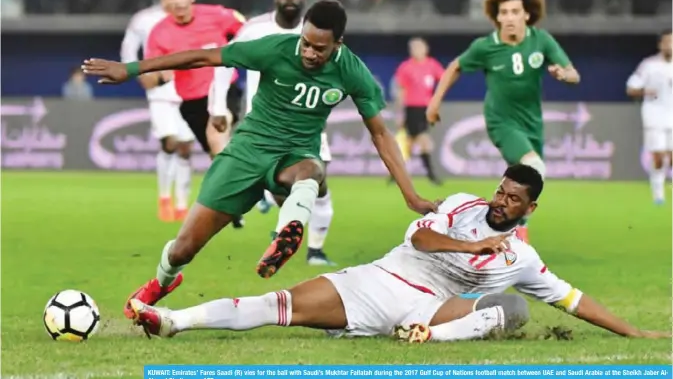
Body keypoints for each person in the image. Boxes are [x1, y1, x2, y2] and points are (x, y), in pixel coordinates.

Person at [81, 0, 438, 320]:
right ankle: (160, 284)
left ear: (338, 45)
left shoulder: (352, 72)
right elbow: (204, 57)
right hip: (247, 153)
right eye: (306, 43)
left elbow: (380, 133)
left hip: (295, 155)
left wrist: (411, 195)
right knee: (183, 248)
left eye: (320, 49)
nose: (310, 53)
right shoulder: (275, 49)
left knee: (313, 170)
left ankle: (288, 231)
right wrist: (130, 69)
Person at [127, 164, 669, 342]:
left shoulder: (522, 260)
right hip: (378, 280)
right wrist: (472, 241)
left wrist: (637, 333)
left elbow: (573, 300)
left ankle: (427, 337)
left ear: (531, 207)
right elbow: (419, 239)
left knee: (517, 310)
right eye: (501, 191)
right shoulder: (461, 206)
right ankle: (173, 321)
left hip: (432, 309)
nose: (502, 201)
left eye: (513, 199)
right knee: (276, 305)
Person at [426, 0, 581, 244]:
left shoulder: (541, 41)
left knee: (524, 180)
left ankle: (482, 224)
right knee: (534, 168)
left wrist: (562, 74)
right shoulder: (486, 46)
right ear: (497, 16)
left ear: (526, 15)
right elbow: (455, 67)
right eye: (503, 12)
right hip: (501, 121)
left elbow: (574, 74)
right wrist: (434, 102)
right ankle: (516, 233)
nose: (508, 18)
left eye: (514, 12)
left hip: (531, 122)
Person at [213, 0, 336, 266]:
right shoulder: (255, 29)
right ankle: (297, 239)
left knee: (319, 188)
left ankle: (308, 245)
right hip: (264, 124)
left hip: (308, 122)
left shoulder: (317, 31)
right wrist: (218, 106)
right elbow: (222, 62)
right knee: (292, 187)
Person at [145, 0, 246, 225]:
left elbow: (247, 30)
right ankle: (235, 204)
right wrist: (160, 76)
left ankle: (248, 192)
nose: (177, 0)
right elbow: (147, 79)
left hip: (225, 88)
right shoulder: (158, 34)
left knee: (218, 131)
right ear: (163, 2)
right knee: (218, 155)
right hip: (191, 103)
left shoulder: (217, 15)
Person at [121, 1, 195, 222]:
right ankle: (164, 198)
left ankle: (182, 204)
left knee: (185, 147)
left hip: (188, 88)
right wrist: (138, 72)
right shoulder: (144, 18)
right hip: (160, 90)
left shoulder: (195, 18)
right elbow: (128, 47)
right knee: (169, 143)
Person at [626, 29, 672, 205]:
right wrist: (645, 91)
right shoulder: (649, 65)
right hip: (654, 115)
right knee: (659, 156)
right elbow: (631, 88)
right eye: (667, 42)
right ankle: (658, 194)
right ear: (660, 44)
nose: (670, 45)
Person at [392, 37, 444, 186]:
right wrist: (400, 113)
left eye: (419, 47)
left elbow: (444, 79)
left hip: (426, 109)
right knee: (421, 140)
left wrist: (436, 101)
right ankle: (430, 175)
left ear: (425, 49)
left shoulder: (432, 65)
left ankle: (397, 173)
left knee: (413, 142)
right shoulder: (406, 67)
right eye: (413, 48)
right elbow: (401, 91)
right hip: (412, 108)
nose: (416, 50)